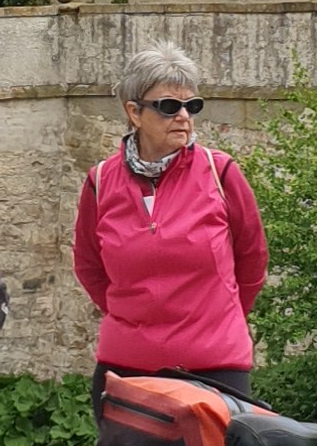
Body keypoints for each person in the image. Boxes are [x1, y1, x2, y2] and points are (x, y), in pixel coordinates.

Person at [72, 42, 268, 399]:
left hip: (216, 366)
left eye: (191, 106)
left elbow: (253, 260)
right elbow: (89, 266)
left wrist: (218, 320)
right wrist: (131, 317)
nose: (183, 117)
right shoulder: (100, 182)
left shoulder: (220, 173)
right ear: (134, 112)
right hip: (127, 368)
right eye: (168, 107)